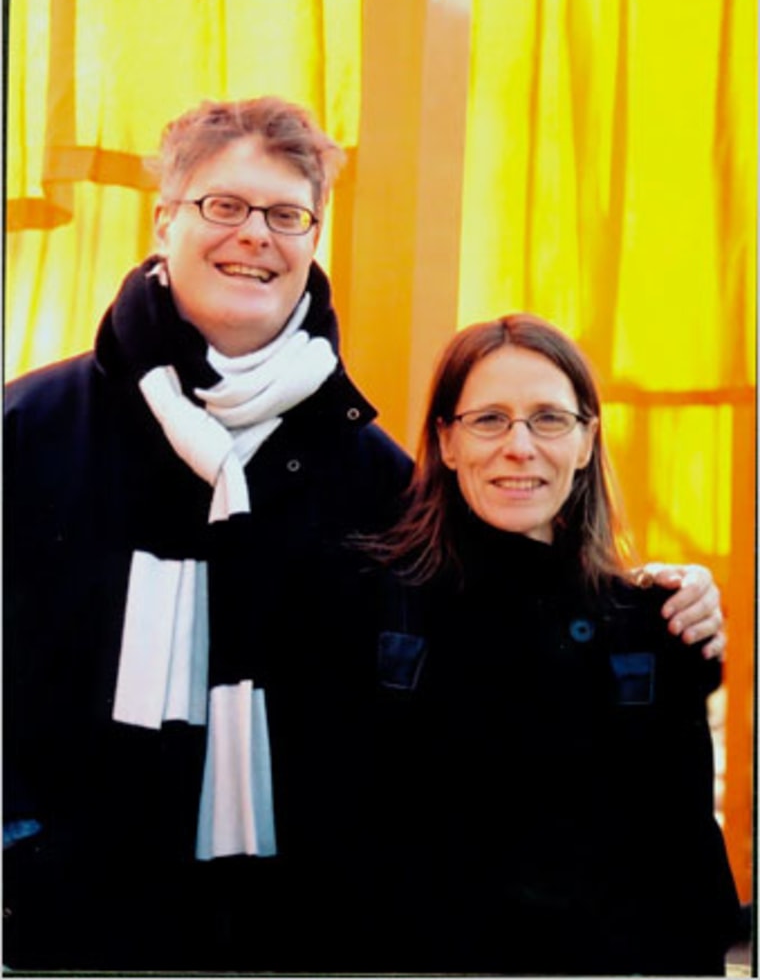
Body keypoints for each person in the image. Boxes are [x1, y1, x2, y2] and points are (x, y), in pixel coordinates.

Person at [3, 96, 726, 972]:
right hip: (64, 917)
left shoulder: (372, 473)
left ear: (315, 236)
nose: (253, 236)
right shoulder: (29, 430)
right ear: (164, 219)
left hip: (294, 927)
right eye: (223, 205)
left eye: (285, 214)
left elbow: (504, 619)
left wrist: (659, 604)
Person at [368, 313, 742, 975]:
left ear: (587, 439)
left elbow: (686, 879)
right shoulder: (375, 612)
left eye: (547, 418)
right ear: (446, 441)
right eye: (489, 419)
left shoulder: (652, 628)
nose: (519, 445)